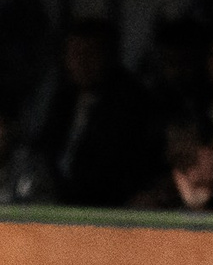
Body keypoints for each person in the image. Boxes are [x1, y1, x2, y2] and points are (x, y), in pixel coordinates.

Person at [31, 18, 158, 208]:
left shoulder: (130, 100)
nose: (81, 62)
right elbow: (44, 148)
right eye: (74, 54)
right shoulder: (61, 96)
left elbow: (124, 165)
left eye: (90, 53)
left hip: (106, 208)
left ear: (109, 57)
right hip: (57, 203)